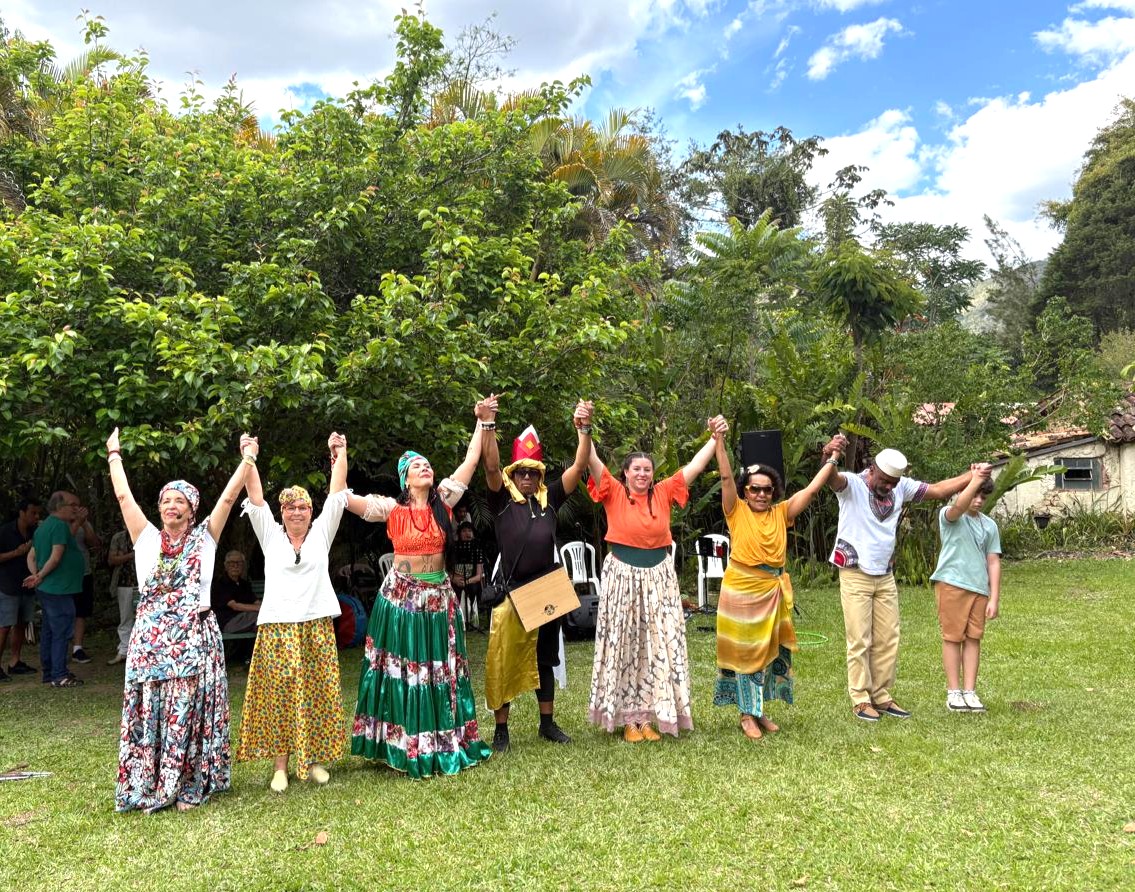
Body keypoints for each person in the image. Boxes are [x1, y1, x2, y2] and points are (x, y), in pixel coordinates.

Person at [105, 426, 255, 813]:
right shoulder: (146, 539)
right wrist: (114, 456)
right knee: (151, 706)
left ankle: (188, 782)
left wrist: (247, 459)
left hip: (194, 636)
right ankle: (149, 780)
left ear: (191, 508)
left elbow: (228, 498)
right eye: (166, 500)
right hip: (150, 642)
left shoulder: (205, 538)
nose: (172, 506)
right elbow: (123, 497)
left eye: (180, 501)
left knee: (187, 710)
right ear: (159, 508)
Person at [344, 398, 496, 777]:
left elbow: (471, 462)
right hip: (401, 599)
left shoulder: (443, 502)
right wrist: (339, 457)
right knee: (406, 671)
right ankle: (403, 743)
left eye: (427, 463)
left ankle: (443, 739)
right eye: (416, 466)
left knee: (439, 670)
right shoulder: (391, 510)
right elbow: (344, 499)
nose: (425, 467)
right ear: (405, 480)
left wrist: (482, 421)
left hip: (438, 597)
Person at [586, 416, 727, 742]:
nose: (642, 473)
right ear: (625, 473)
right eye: (636, 469)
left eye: (647, 469)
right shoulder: (613, 493)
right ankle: (627, 720)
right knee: (625, 645)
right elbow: (591, 460)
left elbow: (694, 466)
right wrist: (584, 429)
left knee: (658, 644)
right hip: (623, 576)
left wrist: (713, 437)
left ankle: (649, 716)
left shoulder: (664, 492)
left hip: (659, 580)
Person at [711, 430, 845, 739]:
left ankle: (758, 709)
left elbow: (812, 489)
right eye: (755, 489)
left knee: (770, 653)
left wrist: (834, 458)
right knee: (747, 653)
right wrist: (718, 442)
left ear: (774, 492)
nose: (760, 495)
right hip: (741, 591)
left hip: (772, 590)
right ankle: (747, 715)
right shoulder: (736, 510)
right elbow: (727, 478)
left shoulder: (781, 512)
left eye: (767, 490)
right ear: (746, 492)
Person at [827, 444, 975, 721]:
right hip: (854, 570)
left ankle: (881, 696)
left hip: (884, 574)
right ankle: (860, 698)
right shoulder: (853, 485)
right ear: (872, 469)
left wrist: (972, 474)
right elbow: (831, 478)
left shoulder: (901, 487)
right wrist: (829, 456)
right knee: (859, 639)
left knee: (888, 638)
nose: (887, 486)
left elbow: (940, 491)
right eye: (883, 480)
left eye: (892, 482)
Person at [236, 436, 350, 792]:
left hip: (316, 626)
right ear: (282, 513)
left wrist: (340, 453)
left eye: (302, 507)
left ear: (310, 512)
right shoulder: (270, 535)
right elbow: (255, 498)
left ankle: (313, 761)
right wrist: (249, 456)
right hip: (278, 629)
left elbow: (337, 493)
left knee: (317, 693)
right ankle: (280, 767)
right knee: (281, 696)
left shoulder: (321, 535)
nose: (296, 512)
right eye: (290, 508)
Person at [481, 400, 592, 753]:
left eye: (533, 472)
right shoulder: (501, 500)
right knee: (506, 658)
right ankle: (502, 730)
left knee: (546, 657)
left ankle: (547, 722)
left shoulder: (550, 499)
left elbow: (578, 465)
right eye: (521, 472)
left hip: (547, 587)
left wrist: (583, 430)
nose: (527, 477)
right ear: (514, 475)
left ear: (540, 475)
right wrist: (488, 425)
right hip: (513, 591)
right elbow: (491, 464)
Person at [930, 464, 1000, 713]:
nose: (978, 500)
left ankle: (970, 691)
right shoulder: (949, 515)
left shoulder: (990, 525)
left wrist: (994, 597)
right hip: (952, 583)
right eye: (975, 494)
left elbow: (993, 560)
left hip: (979, 589)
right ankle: (953, 692)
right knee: (952, 637)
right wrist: (974, 479)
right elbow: (960, 506)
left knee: (973, 639)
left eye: (983, 496)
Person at [24, 491, 84, 687]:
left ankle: (49, 673)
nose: (75, 509)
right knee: (62, 630)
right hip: (58, 589)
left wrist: (36, 576)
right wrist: (39, 576)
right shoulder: (58, 526)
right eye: (71, 505)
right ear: (60, 507)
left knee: (50, 630)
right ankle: (59, 675)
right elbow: (56, 556)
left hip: (49, 588)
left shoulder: (43, 527)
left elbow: (31, 557)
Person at [0, 497, 43, 680]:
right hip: (8, 585)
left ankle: (15, 661)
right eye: (33, 513)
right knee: (4, 626)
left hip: (28, 585)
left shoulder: (37, 532)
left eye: (38, 513)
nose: (36, 516)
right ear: (22, 513)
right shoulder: (5, 531)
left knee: (22, 624)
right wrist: (16, 553)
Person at [69, 501, 101, 664]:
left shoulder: (84, 522)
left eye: (77, 505)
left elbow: (94, 544)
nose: (76, 508)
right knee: (65, 611)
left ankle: (78, 648)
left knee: (81, 611)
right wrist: (77, 522)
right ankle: (59, 647)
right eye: (71, 505)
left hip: (84, 572)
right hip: (64, 575)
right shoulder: (58, 522)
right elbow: (65, 540)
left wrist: (85, 523)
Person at [106, 526, 137, 666]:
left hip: (143, 583)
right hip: (123, 582)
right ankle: (124, 650)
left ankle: (139, 651)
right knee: (125, 618)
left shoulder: (147, 534)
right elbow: (112, 560)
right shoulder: (119, 537)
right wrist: (131, 555)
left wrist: (122, 556)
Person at [212, 551, 260, 635]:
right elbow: (235, 606)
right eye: (231, 563)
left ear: (243, 566)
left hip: (247, 620)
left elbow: (256, 602)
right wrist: (263, 610)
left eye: (239, 563)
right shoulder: (220, 584)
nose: (235, 566)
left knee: (263, 624)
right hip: (229, 623)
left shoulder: (245, 584)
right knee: (260, 617)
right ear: (226, 566)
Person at [450, 522, 484, 622]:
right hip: (455, 580)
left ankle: (470, 618)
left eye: (469, 531)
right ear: (459, 534)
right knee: (453, 589)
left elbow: (479, 576)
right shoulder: (453, 549)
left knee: (473, 588)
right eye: (464, 531)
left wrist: (466, 582)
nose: (467, 533)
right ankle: (455, 618)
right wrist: (454, 579)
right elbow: (446, 571)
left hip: (470, 581)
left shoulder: (477, 550)